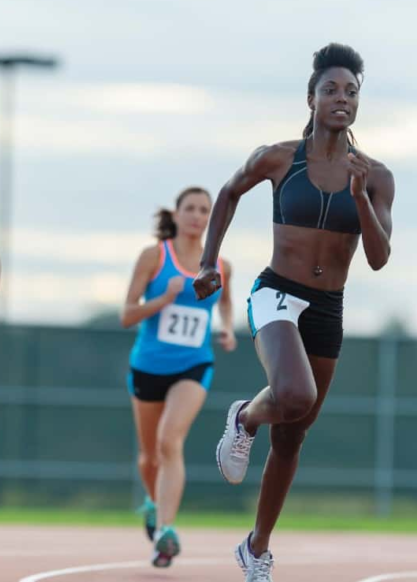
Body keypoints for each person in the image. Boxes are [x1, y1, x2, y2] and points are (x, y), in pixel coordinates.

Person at [193, 43, 395, 582]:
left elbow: (377, 258)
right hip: (277, 292)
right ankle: (244, 416)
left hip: (329, 308)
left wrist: (358, 195)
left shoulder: (375, 176)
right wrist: (208, 261)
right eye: (331, 89)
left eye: (352, 92)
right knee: (295, 396)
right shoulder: (278, 158)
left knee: (293, 435)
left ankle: (255, 549)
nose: (342, 99)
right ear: (311, 97)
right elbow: (230, 192)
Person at [121, 186, 236, 568]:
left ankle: (166, 533)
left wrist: (227, 328)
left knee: (171, 442)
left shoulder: (220, 264)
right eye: (191, 208)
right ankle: (153, 504)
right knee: (149, 456)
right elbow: (127, 315)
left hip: (194, 366)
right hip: (148, 368)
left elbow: (227, 301)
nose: (198, 216)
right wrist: (163, 299)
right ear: (177, 213)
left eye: (205, 210)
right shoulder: (154, 256)